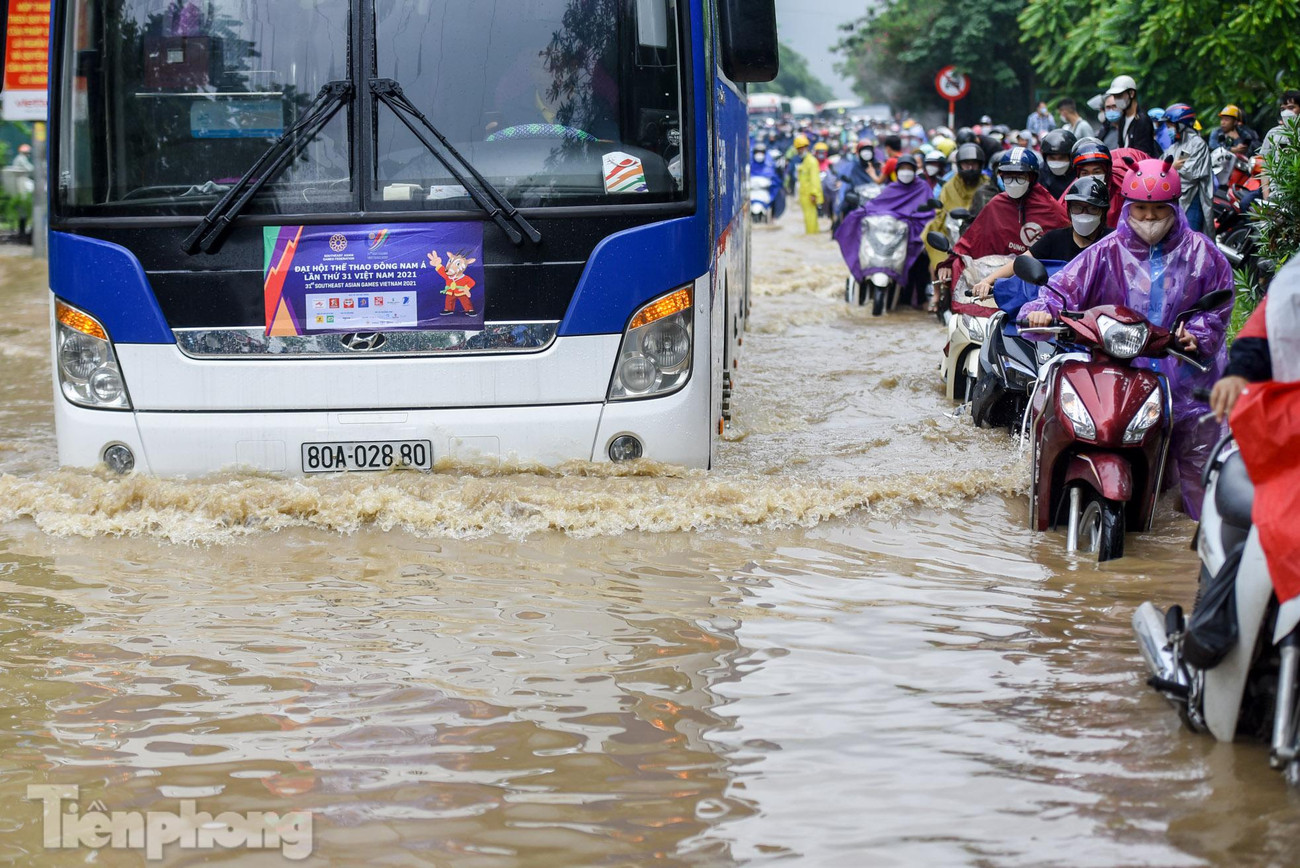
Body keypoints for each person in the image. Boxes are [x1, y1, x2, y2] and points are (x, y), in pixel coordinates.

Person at [1022, 157, 1234, 518]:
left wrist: (1197, 334)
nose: (1149, 219)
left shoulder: (1203, 254)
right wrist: (1042, 308)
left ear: (1173, 207)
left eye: (1157, 210)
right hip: (1122, 374)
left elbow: (1219, 304)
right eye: (1141, 210)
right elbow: (1062, 289)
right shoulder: (1105, 252)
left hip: (1187, 381)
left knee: (1199, 481)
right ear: (1128, 208)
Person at [1208, 257, 1300, 605]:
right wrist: (1237, 374)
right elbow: (1260, 333)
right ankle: (1220, 621)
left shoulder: (1199, 252)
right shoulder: (1293, 283)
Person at [936, 147, 1068, 288]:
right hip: (995, 274)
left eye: (1020, 177)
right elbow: (972, 240)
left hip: (1036, 281)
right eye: (1008, 176)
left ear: (1032, 177)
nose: (1013, 182)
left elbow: (1067, 242)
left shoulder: (1050, 208)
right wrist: (950, 262)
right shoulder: (996, 204)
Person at [972, 175, 1113, 297]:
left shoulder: (1113, 241)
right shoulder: (1054, 238)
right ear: (1069, 210)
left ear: (1103, 212)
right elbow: (1021, 262)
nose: (1084, 213)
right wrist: (987, 281)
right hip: (1056, 310)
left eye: (1092, 208)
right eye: (1078, 207)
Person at [834, 153, 935, 304]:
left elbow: (928, 214)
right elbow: (876, 206)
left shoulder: (923, 188)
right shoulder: (892, 188)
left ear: (914, 170)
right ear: (897, 170)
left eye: (909, 168)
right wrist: (863, 212)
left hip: (910, 238)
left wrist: (913, 221)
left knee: (920, 264)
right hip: (888, 235)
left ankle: (916, 300)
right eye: (902, 168)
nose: (905, 172)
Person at [924, 142, 985, 271]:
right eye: (966, 163)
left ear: (980, 165)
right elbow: (940, 214)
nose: (970, 167)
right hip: (952, 234)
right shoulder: (949, 186)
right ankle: (937, 291)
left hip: (980, 236)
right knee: (936, 266)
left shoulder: (987, 185)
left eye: (974, 163)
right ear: (959, 165)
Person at [1161, 103, 1213, 233]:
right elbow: (1161, 166)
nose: (1168, 129)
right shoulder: (1174, 146)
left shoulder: (1197, 144)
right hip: (1174, 200)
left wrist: (1170, 169)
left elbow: (1192, 174)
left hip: (1192, 200)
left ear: (1181, 124)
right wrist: (1173, 167)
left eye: (1170, 126)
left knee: (1191, 241)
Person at [1259, 90, 1300, 197]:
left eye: (1291, 108)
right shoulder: (1273, 133)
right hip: (1276, 191)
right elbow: (1265, 165)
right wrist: (1266, 196)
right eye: (1283, 109)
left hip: (1295, 192)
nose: (1286, 113)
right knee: (1246, 202)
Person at [1103, 74, 1157, 156]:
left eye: (1120, 95)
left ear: (1131, 93)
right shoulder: (1122, 119)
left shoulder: (1142, 120)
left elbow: (1143, 153)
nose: (1117, 99)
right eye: (1115, 96)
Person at [793, 135, 823, 234]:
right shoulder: (805, 161)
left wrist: (814, 194)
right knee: (808, 217)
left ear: (806, 147)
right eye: (799, 149)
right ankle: (811, 234)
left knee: (811, 218)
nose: (800, 151)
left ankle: (812, 234)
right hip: (805, 195)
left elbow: (815, 179)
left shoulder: (811, 161)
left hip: (810, 195)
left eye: (801, 148)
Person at [1039, 129, 1078, 198]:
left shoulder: (1078, 173)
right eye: (1052, 158)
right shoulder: (1039, 174)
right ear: (1045, 158)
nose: (1057, 162)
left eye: (1062, 158)